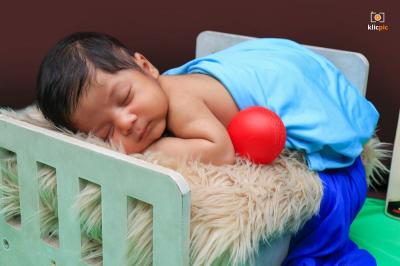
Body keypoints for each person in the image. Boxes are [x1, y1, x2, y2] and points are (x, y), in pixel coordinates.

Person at [36, 32, 379, 264]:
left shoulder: (180, 95)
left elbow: (219, 151)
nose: (126, 122)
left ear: (146, 68)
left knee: (317, 246)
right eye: (105, 130)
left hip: (338, 176)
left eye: (125, 98)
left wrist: (154, 150)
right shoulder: (157, 97)